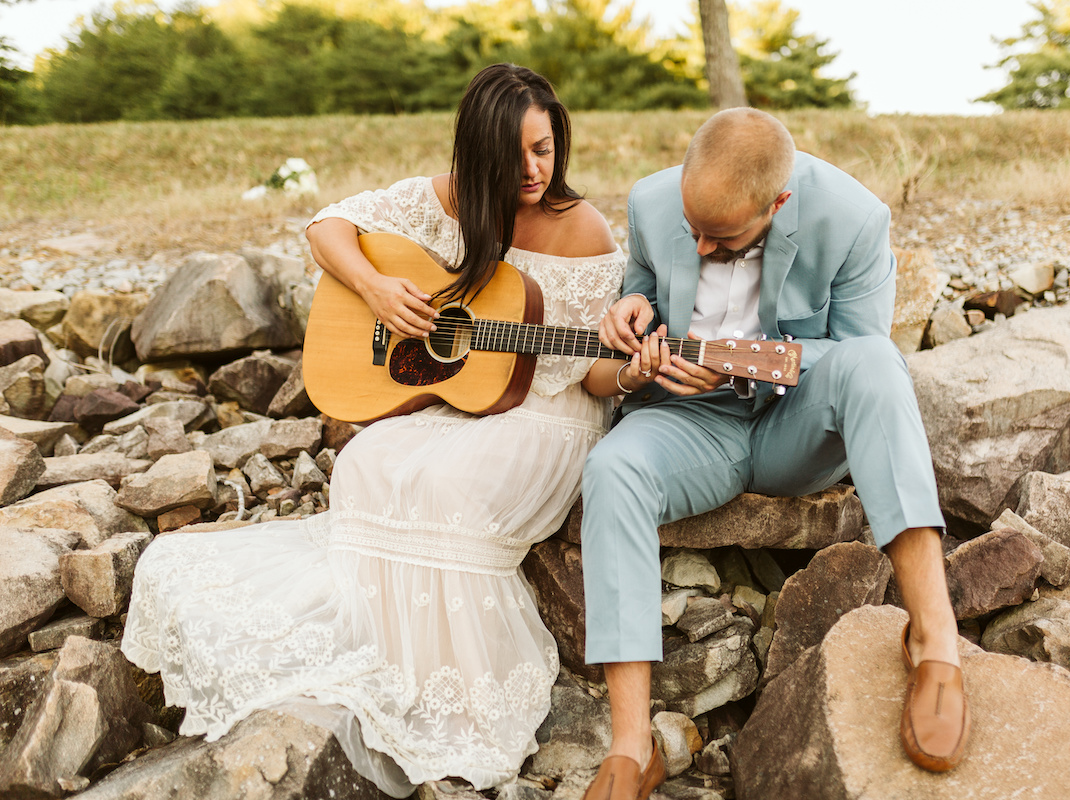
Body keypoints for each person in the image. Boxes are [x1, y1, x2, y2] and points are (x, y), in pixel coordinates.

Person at [121, 64, 633, 798]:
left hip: (550, 414)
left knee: (445, 486)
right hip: (466, 402)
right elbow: (325, 225)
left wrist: (634, 372)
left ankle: (444, 692)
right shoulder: (449, 199)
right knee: (368, 463)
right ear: (475, 153)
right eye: (514, 154)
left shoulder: (580, 228)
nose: (531, 170)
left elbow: (591, 373)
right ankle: (371, 651)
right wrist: (377, 286)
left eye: (545, 149)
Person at [579, 108, 969, 800]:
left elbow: (856, 352)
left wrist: (741, 361)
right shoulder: (648, 200)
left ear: (778, 203)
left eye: (720, 237)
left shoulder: (853, 217)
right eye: (690, 228)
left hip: (795, 425)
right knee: (612, 468)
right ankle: (632, 746)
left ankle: (934, 641)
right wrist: (629, 315)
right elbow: (638, 293)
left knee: (879, 364)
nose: (698, 248)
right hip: (689, 422)